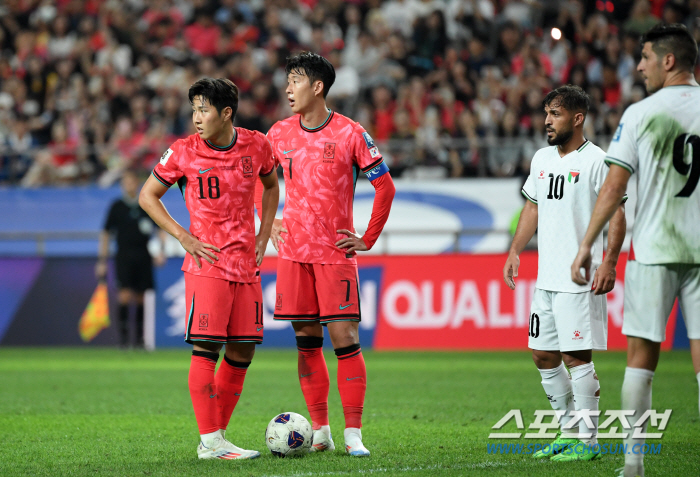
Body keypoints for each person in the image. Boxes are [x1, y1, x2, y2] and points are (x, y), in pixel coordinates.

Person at [571, 24, 700, 477]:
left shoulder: (642, 113)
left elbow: (614, 185)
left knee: (642, 357)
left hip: (654, 249)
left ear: (668, 60)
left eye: (645, 57)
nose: (639, 65)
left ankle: (633, 465)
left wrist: (588, 244)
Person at [257, 51, 396, 456]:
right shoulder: (277, 133)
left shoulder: (351, 133)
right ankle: (321, 429)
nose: (287, 88)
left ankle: (353, 433)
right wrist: (271, 223)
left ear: (317, 87)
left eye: (295, 80)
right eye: (287, 80)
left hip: (335, 254)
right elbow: (258, 180)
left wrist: (368, 237)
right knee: (305, 341)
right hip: (294, 254)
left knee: (345, 337)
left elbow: (384, 186)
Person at [139, 78, 279, 460]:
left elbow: (270, 186)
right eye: (194, 110)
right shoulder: (183, 151)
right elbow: (147, 196)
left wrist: (263, 235)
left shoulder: (256, 144)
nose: (197, 118)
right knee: (206, 349)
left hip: (246, 265)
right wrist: (183, 236)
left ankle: (215, 438)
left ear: (226, 113)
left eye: (204, 109)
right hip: (207, 263)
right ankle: (211, 441)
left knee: (243, 352)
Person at [504, 85, 627, 462]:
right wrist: (514, 249)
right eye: (546, 113)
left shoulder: (598, 161)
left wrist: (608, 262)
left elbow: (618, 216)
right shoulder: (541, 159)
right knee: (542, 354)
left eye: (554, 114)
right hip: (546, 280)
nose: (546, 121)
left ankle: (588, 443)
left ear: (578, 118)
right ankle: (568, 430)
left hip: (579, 279)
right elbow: (532, 209)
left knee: (576, 357)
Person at [96, 169, 166, 348]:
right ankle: (124, 340)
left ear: (138, 183)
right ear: (122, 186)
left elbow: (161, 227)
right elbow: (105, 234)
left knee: (142, 296)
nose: (129, 185)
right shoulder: (116, 206)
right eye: (125, 183)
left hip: (143, 255)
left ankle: (140, 340)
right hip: (123, 256)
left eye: (132, 182)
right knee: (124, 296)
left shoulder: (146, 205)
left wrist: (161, 251)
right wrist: (102, 260)